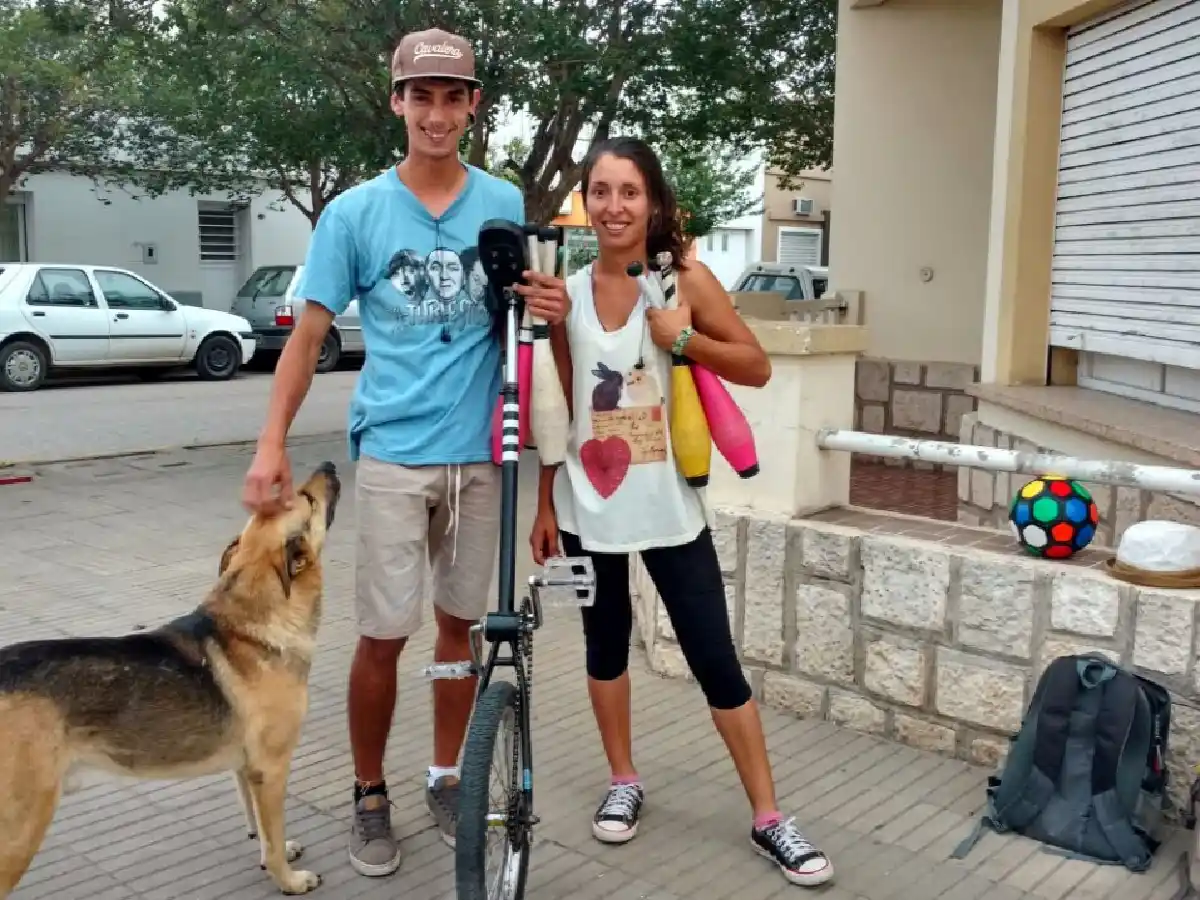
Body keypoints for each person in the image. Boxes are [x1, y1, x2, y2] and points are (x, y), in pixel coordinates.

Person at [241, 27, 568, 879]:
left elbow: (535, 327)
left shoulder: (501, 203)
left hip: (482, 454)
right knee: (383, 635)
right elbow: (309, 336)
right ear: (397, 102)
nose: (435, 112)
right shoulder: (355, 213)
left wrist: (555, 305)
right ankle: (368, 792)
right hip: (392, 452)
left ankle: (448, 774)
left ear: (472, 105)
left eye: (450, 95)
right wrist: (271, 444)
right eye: (419, 95)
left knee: (458, 630)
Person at [528, 136, 835, 889]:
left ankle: (769, 817)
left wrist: (687, 338)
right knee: (605, 648)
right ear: (585, 203)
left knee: (714, 659)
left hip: (670, 510)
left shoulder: (683, 281)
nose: (613, 206)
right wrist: (541, 504)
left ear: (655, 203)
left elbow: (757, 366)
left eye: (629, 191)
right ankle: (624, 778)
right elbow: (554, 405)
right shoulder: (563, 291)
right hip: (583, 507)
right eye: (599, 191)